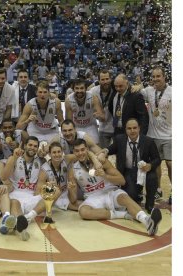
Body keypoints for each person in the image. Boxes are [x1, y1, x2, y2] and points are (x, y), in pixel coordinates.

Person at [69, 138, 162, 236]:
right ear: (73, 152)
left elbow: (121, 180)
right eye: (77, 151)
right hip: (92, 197)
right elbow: (73, 199)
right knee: (83, 212)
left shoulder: (101, 161)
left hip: (110, 191)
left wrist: (105, 176)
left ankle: (147, 221)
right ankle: (124, 215)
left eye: (82, 150)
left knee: (124, 198)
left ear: (87, 149)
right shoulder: (73, 170)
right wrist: (71, 189)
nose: (80, 153)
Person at [107, 118, 161, 212]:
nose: (132, 131)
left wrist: (150, 165)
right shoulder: (120, 139)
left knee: (152, 178)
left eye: (134, 128)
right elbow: (111, 149)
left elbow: (157, 159)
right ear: (125, 129)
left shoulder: (148, 141)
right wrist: (105, 151)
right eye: (129, 128)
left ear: (139, 128)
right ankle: (137, 194)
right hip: (128, 171)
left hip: (144, 171)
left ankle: (150, 204)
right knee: (131, 196)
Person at [0, 136, 45, 240]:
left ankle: (20, 220)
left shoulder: (40, 161)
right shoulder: (14, 158)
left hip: (32, 197)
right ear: (24, 146)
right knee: (14, 203)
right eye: (30, 145)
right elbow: (4, 176)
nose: (32, 148)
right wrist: (14, 158)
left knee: (50, 195)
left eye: (35, 146)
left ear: (37, 148)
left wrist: (44, 155)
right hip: (16, 195)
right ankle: (23, 230)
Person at [25, 142, 79, 224]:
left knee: (78, 203)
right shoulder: (44, 169)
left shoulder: (66, 159)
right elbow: (37, 192)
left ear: (62, 152)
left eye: (59, 152)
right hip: (54, 196)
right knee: (77, 206)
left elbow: (82, 155)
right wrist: (47, 186)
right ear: (49, 154)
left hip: (65, 192)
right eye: (54, 152)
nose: (57, 155)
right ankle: (32, 215)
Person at [139, 67, 172, 204]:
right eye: (153, 76)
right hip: (152, 135)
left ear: (164, 77)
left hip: (170, 136)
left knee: (171, 164)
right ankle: (158, 189)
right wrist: (137, 85)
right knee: (156, 165)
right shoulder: (148, 91)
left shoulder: (173, 92)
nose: (156, 79)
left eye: (158, 76)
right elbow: (136, 91)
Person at [65, 79, 105, 144]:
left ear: (86, 89)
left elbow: (103, 118)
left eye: (82, 88)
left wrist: (99, 116)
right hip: (76, 126)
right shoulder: (69, 100)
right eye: (77, 88)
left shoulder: (93, 97)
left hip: (90, 125)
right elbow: (69, 121)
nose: (79, 90)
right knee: (76, 148)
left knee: (95, 145)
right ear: (73, 89)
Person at [89, 69, 116, 148]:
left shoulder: (116, 89)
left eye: (107, 79)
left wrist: (138, 85)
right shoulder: (94, 91)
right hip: (103, 129)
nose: (105, 82)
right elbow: (83, 93)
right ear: (99, 81)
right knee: (103, 154)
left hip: (117, 128)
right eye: (102, 79)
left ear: (111, 79)